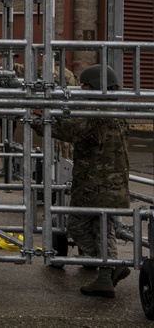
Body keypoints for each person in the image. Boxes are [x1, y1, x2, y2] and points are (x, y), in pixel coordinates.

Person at [31, 64, 131, 298]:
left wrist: (36, 120)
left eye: (85, 85)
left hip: (97, 184)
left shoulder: (95, 110)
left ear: (96, 86)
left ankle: (108, 270)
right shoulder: (115, 111)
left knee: (85, 226)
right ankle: (108, 270)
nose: (81, 89)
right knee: (99, 228)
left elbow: (69, 131)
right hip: (109, 184)